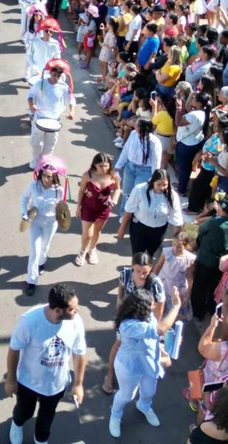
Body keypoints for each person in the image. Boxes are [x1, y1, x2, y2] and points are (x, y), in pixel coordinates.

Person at [5, 283, 86, 444]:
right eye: (72, 309)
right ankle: (17, 422)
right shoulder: (29, 322)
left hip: (56, 384)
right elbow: (14, 350)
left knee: (47, 416)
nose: (77, 311)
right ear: (58, 311)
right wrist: (11, 380)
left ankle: (41, 439)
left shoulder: (76, 322)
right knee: (24, 411)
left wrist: (78, 384)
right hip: (29, 383)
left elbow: (79, 353)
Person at [108, 287, 183, 438]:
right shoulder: (128, 325)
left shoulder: (147, 316)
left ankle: (144, 406)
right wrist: (176, 306)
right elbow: (160, 329)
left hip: (149, 363)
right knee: (126, 395)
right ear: (140, 308)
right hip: (129, 367)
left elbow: (155, 335)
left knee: (149, 391)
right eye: (150, 305)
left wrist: (169, 342)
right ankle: (115, 415)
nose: (153, 307)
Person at [19, 155, 67, 296]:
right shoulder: (33, 185)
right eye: (45, 176)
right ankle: (31, 281)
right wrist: (24, 212)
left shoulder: (59, 190)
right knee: (34, 251)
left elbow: (62, 206)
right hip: (35, 222)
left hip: (51, 223)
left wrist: (65, 213)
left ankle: (42, 262)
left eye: (50, 177)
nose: (47, 179)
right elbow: (24, 198)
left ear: (55, 177)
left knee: (44, 248)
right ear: (41, 174)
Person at [117, 169, 183, 258]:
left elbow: (176, 219)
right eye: (159, 184)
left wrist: (177, 240)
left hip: (158, 231)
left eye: (165, 185)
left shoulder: (172, 196)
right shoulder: (140, 190)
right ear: (152, 182)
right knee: (137, 256)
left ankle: (147, 271)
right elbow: (129, 210)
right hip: (139, 228)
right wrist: (122, 228)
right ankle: (136, 270)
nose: (162, 188)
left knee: (151, 255)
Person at [27, 59, 75, 168]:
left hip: (54, 120)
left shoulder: (63, 87)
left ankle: (44, 162)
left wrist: (72, 111)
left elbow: (71, 99)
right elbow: (30, 96)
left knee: (50, 144)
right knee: (35, 143)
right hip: (39, 118)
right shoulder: (40, 84)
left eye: (59, 76)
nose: (56, 78)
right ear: (50, 73)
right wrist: (31, 105)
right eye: (54, 75)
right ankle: (35, 160)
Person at [76, 152, 121, 266]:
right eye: (101, 166)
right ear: (95, 164)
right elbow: (81, 191)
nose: (104, 168)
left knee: (97, 231)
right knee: (87, 234)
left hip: (103, 208)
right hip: (88, 206)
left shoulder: (113, 175)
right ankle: (82, 251)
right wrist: (78, 207)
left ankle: (92, 250)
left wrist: (114, 200)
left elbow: (117, 189)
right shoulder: (88, 175)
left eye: (106, 165)